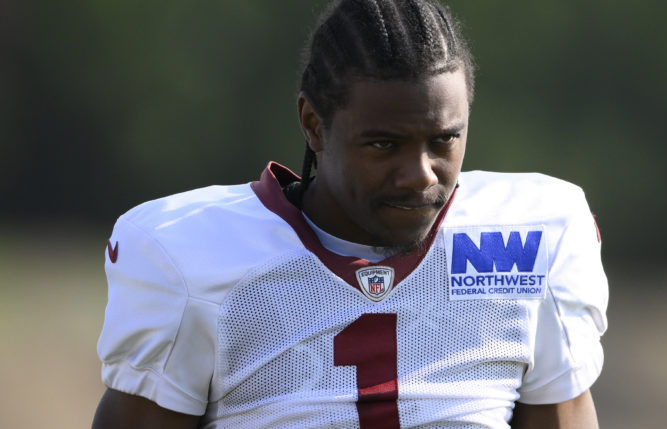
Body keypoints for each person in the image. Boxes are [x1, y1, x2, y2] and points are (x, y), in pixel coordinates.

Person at [92, 0, 608, 427]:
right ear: (313, 125)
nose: (422, 175)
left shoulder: (533, 236)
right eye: (385, 144)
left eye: (444, 140)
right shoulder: (187, 255)